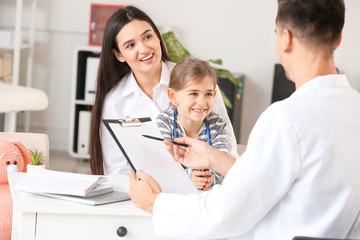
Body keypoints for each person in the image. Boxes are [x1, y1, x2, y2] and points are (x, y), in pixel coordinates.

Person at [128, 0, 360, 239]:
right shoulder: (355, 109)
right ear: (339, 39)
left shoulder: (285, 119)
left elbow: (224, 215)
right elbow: (279, 178)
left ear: (286, 39)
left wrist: (155, 203)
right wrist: (214, 158)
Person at [89, 6, 238, 175]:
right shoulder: (114, 102)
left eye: (147, 36)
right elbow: (118, 171)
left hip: (203, 191)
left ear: (158, 37)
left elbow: (228, 151)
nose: (144, 49)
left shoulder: (199, 82)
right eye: (130, 45)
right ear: (119, 55)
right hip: (147, 195)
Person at [156, 57, 228, 190]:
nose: (202, 102)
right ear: (173, 96)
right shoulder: (165, 121)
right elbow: (164, 165)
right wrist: (190, 177)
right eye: (194, 93)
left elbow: (221, 163)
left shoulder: (217, 125)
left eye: (208, 94)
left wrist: (208, 178)